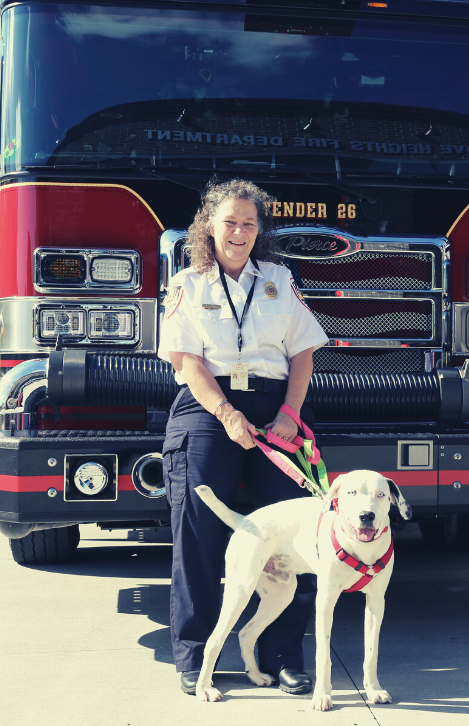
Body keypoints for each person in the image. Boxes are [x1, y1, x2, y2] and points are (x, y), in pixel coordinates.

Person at [162, 179, 332, 696]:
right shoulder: (186, 285)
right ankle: (195, 657)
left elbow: (302, 353)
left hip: (276, 411)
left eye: (250, 224)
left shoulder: (280, 279)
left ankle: (284, 658)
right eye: (230, 222)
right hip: (208, 407)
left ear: (260, 231)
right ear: (208, 225)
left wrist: (289, 413)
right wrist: (227, 415)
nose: (239, 232)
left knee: (297, 537)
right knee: (200, 534)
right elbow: (188, 362)